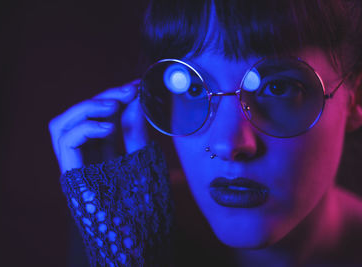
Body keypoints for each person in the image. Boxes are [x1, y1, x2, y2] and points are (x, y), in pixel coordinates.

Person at [49, 0, 362, 266]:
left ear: (354, 100)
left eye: (278, 88)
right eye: (194, 87)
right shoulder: (121, 225)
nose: (229, 144)